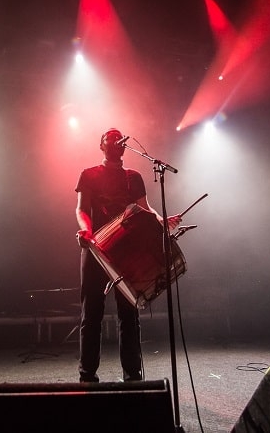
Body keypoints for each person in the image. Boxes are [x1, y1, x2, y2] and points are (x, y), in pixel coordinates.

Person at [75, 128, 181, 382]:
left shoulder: (133, 177)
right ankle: (87, 374)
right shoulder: (88, 174)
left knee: (129, 314)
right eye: (110, 137)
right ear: (102, 145)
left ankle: (133, 375)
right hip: (96, 248)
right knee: (92, 313)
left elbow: (145, 209)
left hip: (127, 251)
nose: (116, 140)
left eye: (119, 137)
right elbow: (82, 209)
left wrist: (162, 221)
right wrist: (86, 230)